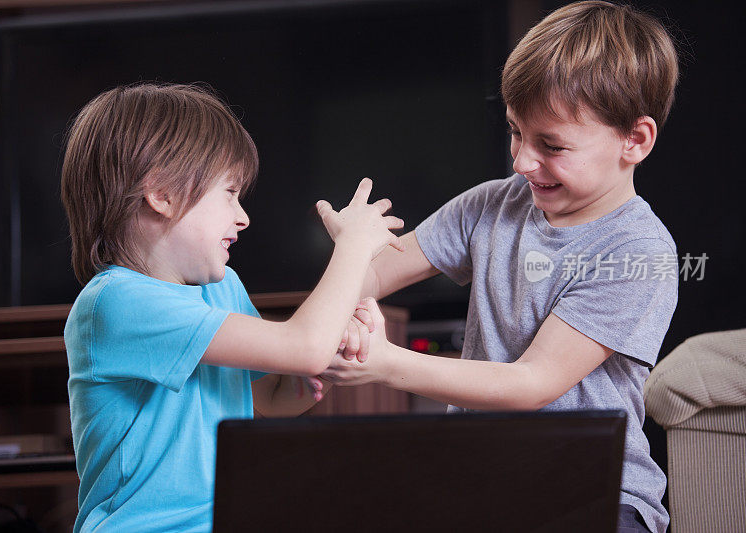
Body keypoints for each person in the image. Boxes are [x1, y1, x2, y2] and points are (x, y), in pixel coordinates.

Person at [318, 2, 680, 532]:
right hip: (477, 473)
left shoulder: (637, 251)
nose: (522, 161)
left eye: (551, 145)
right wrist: (352, 257)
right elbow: (371, 275)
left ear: (635, 140)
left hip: (594, 491)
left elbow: (530, 384)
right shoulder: (492, 205)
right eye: (515, 132)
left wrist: (384, 361)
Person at [61, 83, 403, 532]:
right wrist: (353, 247)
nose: (242, 216)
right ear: (161, 193)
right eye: (229, 193)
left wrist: (328, 356)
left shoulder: (221, 288)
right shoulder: (115, 302)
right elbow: (302, 346)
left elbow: (268, 396)